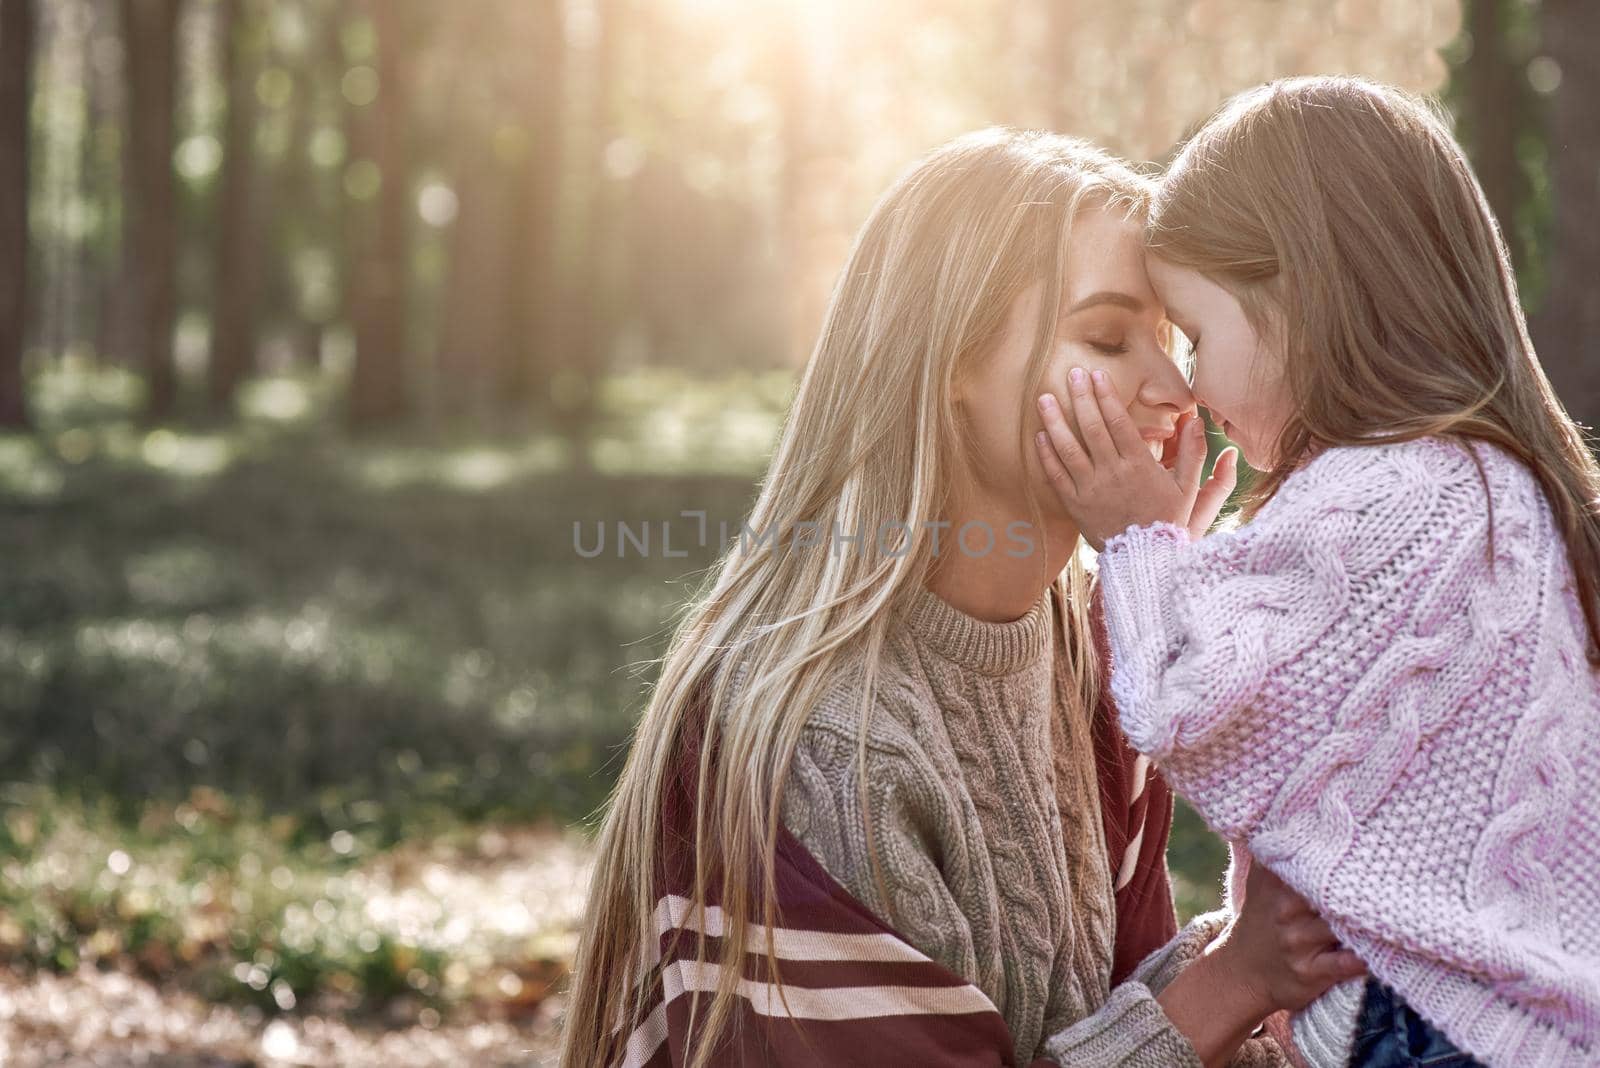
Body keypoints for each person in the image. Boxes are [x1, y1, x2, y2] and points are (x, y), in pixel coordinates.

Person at [559, 126, 1365, 1068]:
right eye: (1109, 338)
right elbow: (1185, 1013)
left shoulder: (1099, 658)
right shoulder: (813, 744)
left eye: (1172, 342)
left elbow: (1129, 1004)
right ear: (949, 362)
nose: (1172, 390)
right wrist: (1236, 980)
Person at [1033, 76, 1600, 1067]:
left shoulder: (1391, 493)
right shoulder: (1473, 481)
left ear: (1297, 295)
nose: (1193, 386)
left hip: (1432, 1027)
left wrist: (1134, 541)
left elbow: (1190, 705)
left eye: (1199, 336)